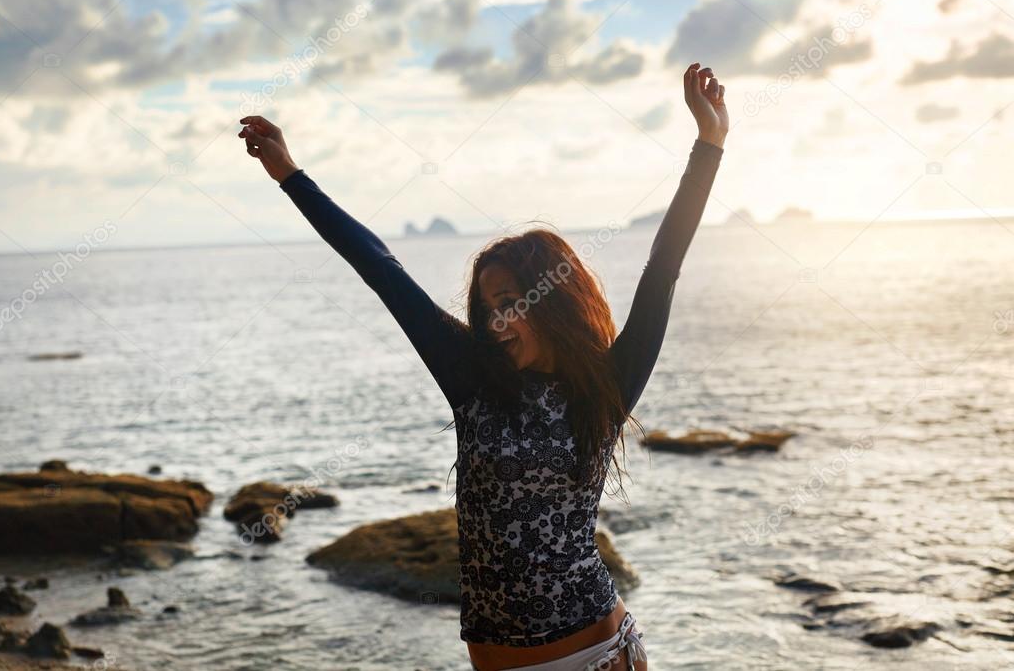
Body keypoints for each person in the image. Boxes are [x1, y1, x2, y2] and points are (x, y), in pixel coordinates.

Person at [238, 62, 727, 671]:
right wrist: (290, 174)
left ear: (551, 305)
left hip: (602, 653)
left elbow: (663, 266)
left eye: (513, 304)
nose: (498, 323)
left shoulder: (606, 384)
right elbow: (382, 270)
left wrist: (710, 143)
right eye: (488, 308)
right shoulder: (472, 380)